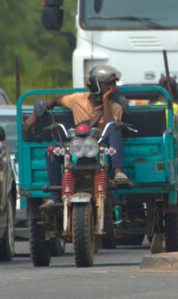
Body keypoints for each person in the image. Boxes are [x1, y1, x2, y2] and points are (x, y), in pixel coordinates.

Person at [23, 65, 128, 211]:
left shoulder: (115, 107)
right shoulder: (77, 99)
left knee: (114, 128)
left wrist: (105, 100)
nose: (112, 87)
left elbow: (109, 124)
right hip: (78, 146)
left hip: (102, 146)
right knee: (51, 151)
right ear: (96, 85)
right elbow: (54, 101)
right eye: (108, 84)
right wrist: (33, 117)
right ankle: (55, 198)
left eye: (113, 84)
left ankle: (118, 172)